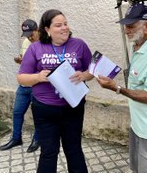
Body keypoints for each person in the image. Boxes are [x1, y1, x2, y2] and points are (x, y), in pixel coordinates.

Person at [96, 3, 147, 173]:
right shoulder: (136, 46)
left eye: (131, 26)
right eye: (126, 26)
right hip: (138, 124)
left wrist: (116, 88)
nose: (126, 31)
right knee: (137, 168)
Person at [17, 9, 93, 173]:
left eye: (65, 24)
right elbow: (21, 77)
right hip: (45, 109)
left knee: (73, 150)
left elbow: (92, 70)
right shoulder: (35, 48)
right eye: (58, 25)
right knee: (49, 152)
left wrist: (84, 75)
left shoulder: (79, 44)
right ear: (47, 29)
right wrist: (38, 77)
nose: (64, 28)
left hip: (73, 107)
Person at [0, 19, 40, 153]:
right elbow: (24, 61)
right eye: (26, 34)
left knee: (37, 115)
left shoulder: (45, 43)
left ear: (37, 30)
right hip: (23, 85)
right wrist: (19, 60)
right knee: (17, 112)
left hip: (37, 86)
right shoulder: (26, 42)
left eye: (30, 33)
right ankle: (16, 138)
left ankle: (37, 139)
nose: (29, 37)